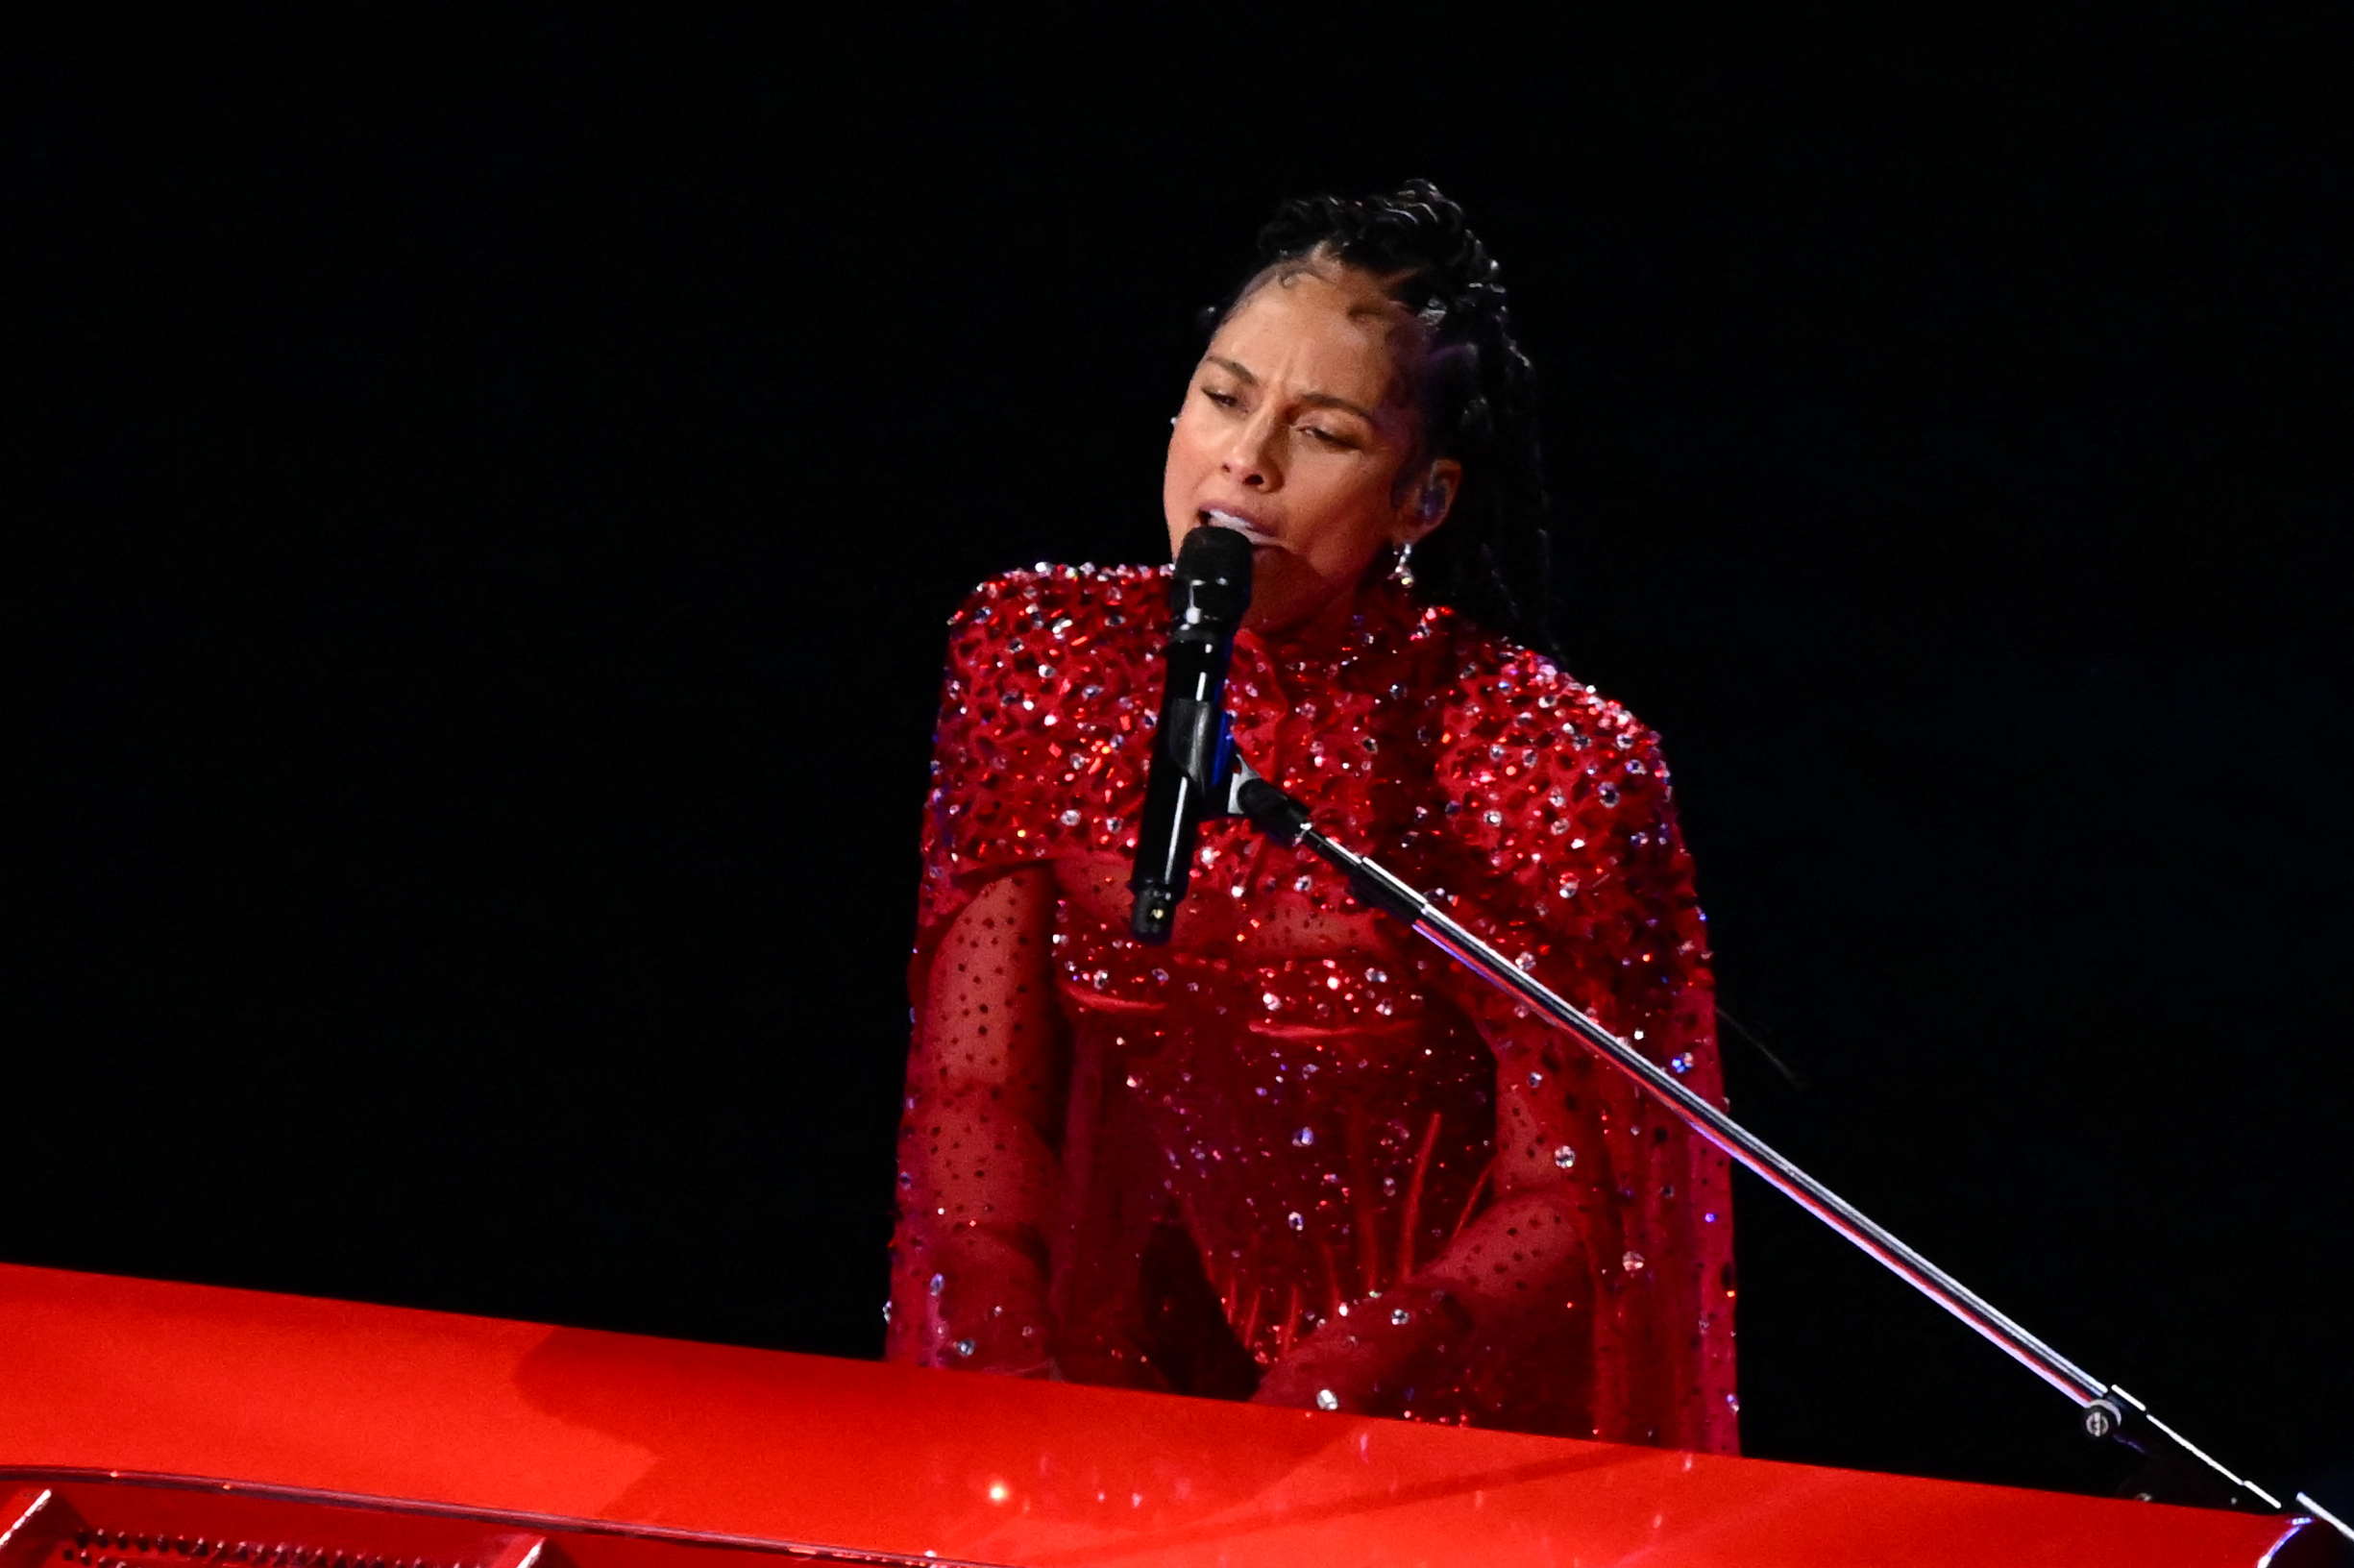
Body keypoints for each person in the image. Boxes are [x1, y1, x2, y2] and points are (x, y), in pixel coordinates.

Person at [885, 182, 1736, 1452]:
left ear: (1421, 501)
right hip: (1094, 1391)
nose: (1245, 460)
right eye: (1224, 398)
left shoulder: (1545, 753)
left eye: (1323, 431)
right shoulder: (1034, 652)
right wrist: (1004, 1358)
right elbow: (970, 1090)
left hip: (1427, 1426)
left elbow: (1571, 1191)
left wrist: (1349, 1372)